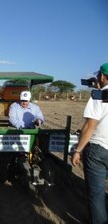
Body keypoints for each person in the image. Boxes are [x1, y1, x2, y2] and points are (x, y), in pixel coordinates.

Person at [71, 63, 108, 224]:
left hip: (99, 149)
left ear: (101, 76)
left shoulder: (99, 95)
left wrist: (78, 150)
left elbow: (90, 127)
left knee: (97, 193)